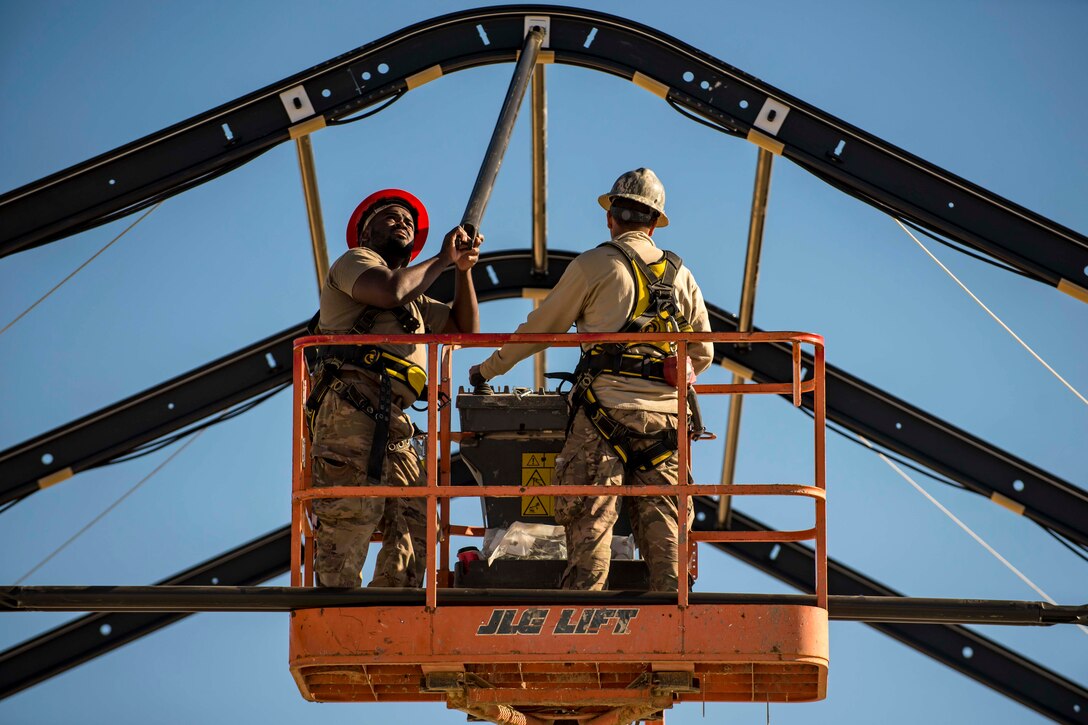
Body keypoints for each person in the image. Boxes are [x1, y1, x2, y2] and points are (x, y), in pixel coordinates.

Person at [469, 168, 711, 592]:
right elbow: (703, 353)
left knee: (590, 522)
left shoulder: (595, 264)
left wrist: (487, 370)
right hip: (666, 427)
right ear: (655, 223)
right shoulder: (682, 276)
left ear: (610, 217)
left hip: (604, 418)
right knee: (666, 531)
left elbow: (540, 329)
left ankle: (584, 612)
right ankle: (675, 619)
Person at [307, 188, 480, 588]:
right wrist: (442, 258)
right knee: (350, 517)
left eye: (408, 220)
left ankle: (390, 610)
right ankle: (336, 613)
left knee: (417, 523)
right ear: (365, 235)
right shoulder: (355, 263)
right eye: (390, 217)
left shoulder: (416, 305)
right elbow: (390, 291)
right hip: (349, 409)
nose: (402, 222)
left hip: (394, 421)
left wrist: (463, 270)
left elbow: (464, 330)